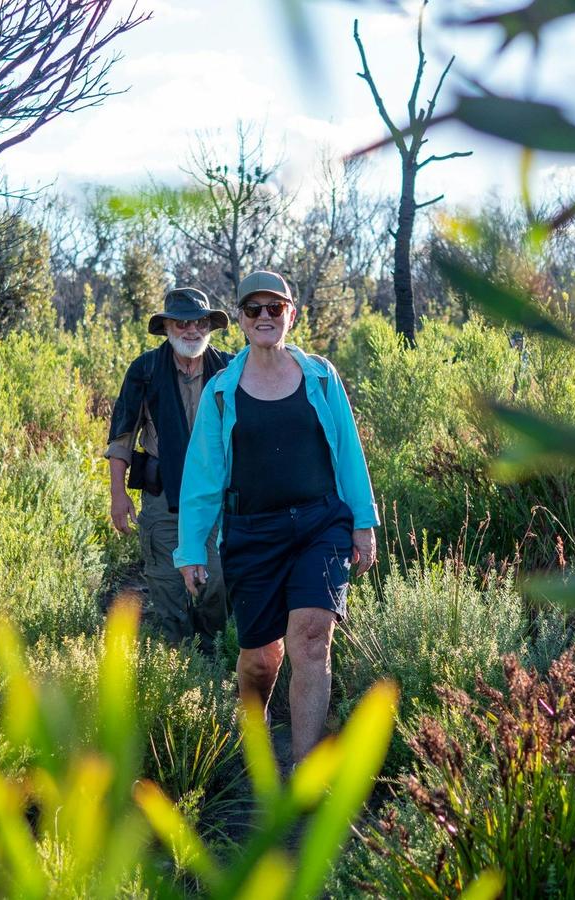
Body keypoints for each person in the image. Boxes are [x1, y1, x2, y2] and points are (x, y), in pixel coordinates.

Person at [174, 270, 379, 764]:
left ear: (292, 312)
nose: (264, 317)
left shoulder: (321, 376)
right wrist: (190, 549)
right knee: (261, 660)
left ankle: (306, 777)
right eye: (253, 309)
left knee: (310, 640)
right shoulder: (223, 390)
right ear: (241, 319)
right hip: (252, 533)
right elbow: (202, 477)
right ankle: (258, 757)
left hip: (319, 525)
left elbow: (348, 452)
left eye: (275, 308)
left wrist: (362, 521)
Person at [106, 287, 234, 651]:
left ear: (209, 326)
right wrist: (118, 495)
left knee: (216, 578)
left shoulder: (229, 368)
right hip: (163, 495)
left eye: (199, 322)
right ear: (167, 327)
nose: (191, 330)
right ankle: (180, 659)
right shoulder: (145, 369)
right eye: (181, 322)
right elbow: (122, 436)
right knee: (166, 582)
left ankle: (214, 651)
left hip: (216, 496)